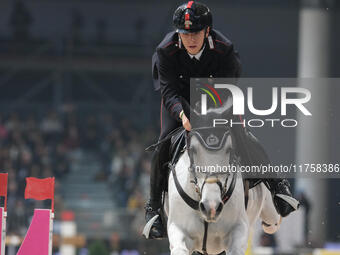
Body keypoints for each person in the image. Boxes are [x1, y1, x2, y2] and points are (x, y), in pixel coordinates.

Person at [145, 1, 299, 239]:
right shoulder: (165, 50)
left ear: (207, 31)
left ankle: (279, 187)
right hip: (180, 103)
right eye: (185, 34)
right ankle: (153, 210)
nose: (190, 39)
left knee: (243, 136)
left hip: (218, 98)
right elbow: (168, 91)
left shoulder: (224, 48)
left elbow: (228, 88)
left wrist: (210, 115)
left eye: (195, 32)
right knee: (164, 143)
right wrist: (183, 115)